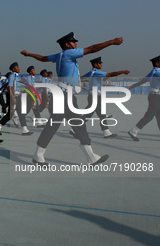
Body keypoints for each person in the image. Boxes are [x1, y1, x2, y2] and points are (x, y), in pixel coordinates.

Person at [20, 32, 123, 165]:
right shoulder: (69, 53)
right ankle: (89, 157)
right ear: (68, 44)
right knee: (69, 124)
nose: (76, 44)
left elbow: (42, 58)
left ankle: (89, 156)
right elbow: (91, 49)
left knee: (70, 124)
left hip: (64, 95)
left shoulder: (59, 55)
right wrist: (112, 42)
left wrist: (29, 54)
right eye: (74, 42)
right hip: (64, 95)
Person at [69, 56, 130, 139]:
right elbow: (110, 74)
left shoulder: (91, 72)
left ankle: (106, 132)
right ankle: (75, 129)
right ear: (95, 64)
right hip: (95, 96)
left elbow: (82, 77)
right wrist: (123, 71)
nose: (101, 64)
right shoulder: (96, 72)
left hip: (94, 96)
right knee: (90, 115)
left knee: (100, 114)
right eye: (100, 63)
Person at [0, 62, 33, 135]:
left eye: (18, 67)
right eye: (17, 67)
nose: (18, 68)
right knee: (10, 114)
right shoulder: (12, 76)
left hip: (18, 96)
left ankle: (24, 129)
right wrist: (13, 99)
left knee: (17, 113)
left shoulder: (17, 76)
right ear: (13, 69)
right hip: (14, 97)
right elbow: (9, 88)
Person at [127, 55, 160, 141]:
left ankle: (134, 130)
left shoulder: (152, 72)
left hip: (155, 96)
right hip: (155, 97)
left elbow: (141, 82)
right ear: (157, 63)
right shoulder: (157, 72)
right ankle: (134, 130)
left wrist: (130, 87)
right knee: (149, 115)